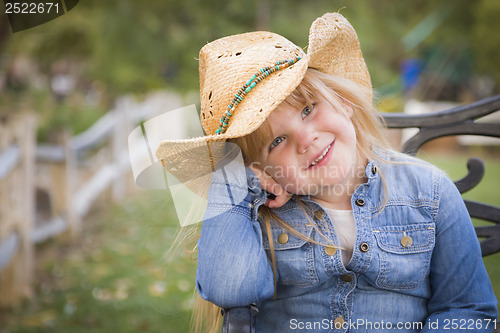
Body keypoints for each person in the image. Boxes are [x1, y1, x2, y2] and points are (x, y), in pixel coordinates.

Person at [155, 12, 497, 333]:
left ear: (343, 100)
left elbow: (468, 307)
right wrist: (233, 177)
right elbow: (230, 288)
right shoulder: (260, 216)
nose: (306, 139)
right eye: (276, 141)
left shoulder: (430, 192)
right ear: (260, 169)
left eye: (308, 108)